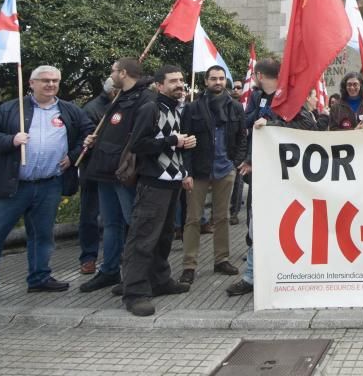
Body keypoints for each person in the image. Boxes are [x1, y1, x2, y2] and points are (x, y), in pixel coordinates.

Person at [0, 66, 93, 311]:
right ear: (31, 83)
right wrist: (10, 140)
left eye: (55, 81)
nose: (50, 85)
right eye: (45, 81)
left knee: (42, 236)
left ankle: (39, 278)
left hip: (49, 183)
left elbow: (88, 133)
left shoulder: (69, 110)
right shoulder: (10, 109)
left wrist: (72, 156)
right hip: (11, 186)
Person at [226, 58, 318, 297]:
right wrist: (249, 159)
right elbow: (252, 132)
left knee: (288, 223)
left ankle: (288, 273)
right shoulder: (257, 98)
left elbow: (308, 126)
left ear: (258, 74)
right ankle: (251, 277)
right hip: (261, 173)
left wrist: (273, 123)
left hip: (287, 174)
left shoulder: (289, 97)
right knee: (255, 225)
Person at [119, 65, 196, 316]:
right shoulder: (150, 108)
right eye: (173, 81)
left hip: (171, 182)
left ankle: (160, 280)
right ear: (159, 85)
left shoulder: (174, 110)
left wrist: (182, 148)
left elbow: (169, 148)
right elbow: (138, 145)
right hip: (153, 183)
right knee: (143, 238)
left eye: (181, 80)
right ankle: (134, 292)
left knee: (163, 238)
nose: (179, 84)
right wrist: (173, 141)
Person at [78, 58, 155, 293]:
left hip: (125, 173)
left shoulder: (146, 99)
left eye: (113, 71)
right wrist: (95, 140)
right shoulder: (118, 96)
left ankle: (137, 275)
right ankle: (110, 270)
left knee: (133, 224)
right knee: (110, 224)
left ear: (123, 72)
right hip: (104, 171)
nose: (110, 75)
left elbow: (138, 137)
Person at [178, 65, 247, 285]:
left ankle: (221, 259)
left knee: (222, 217)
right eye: (213, 79)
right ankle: (189, 265)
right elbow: (185, 142)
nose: (218, 82)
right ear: (205, 81)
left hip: (224, 169)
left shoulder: (235, 107)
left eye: (221, 78)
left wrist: (234, 164)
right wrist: (186, 171)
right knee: (193, 219)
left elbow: (242, 139)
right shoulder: (192, 108)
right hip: (198, 170)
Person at [77, 76, 115, 276]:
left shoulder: (122, 105)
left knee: (114, 218)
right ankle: (89, 257)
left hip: (114, 172)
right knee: (90, 216)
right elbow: (83, 141)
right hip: (93, 170)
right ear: (112, 91)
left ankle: (117, 255)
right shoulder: (92, 109)